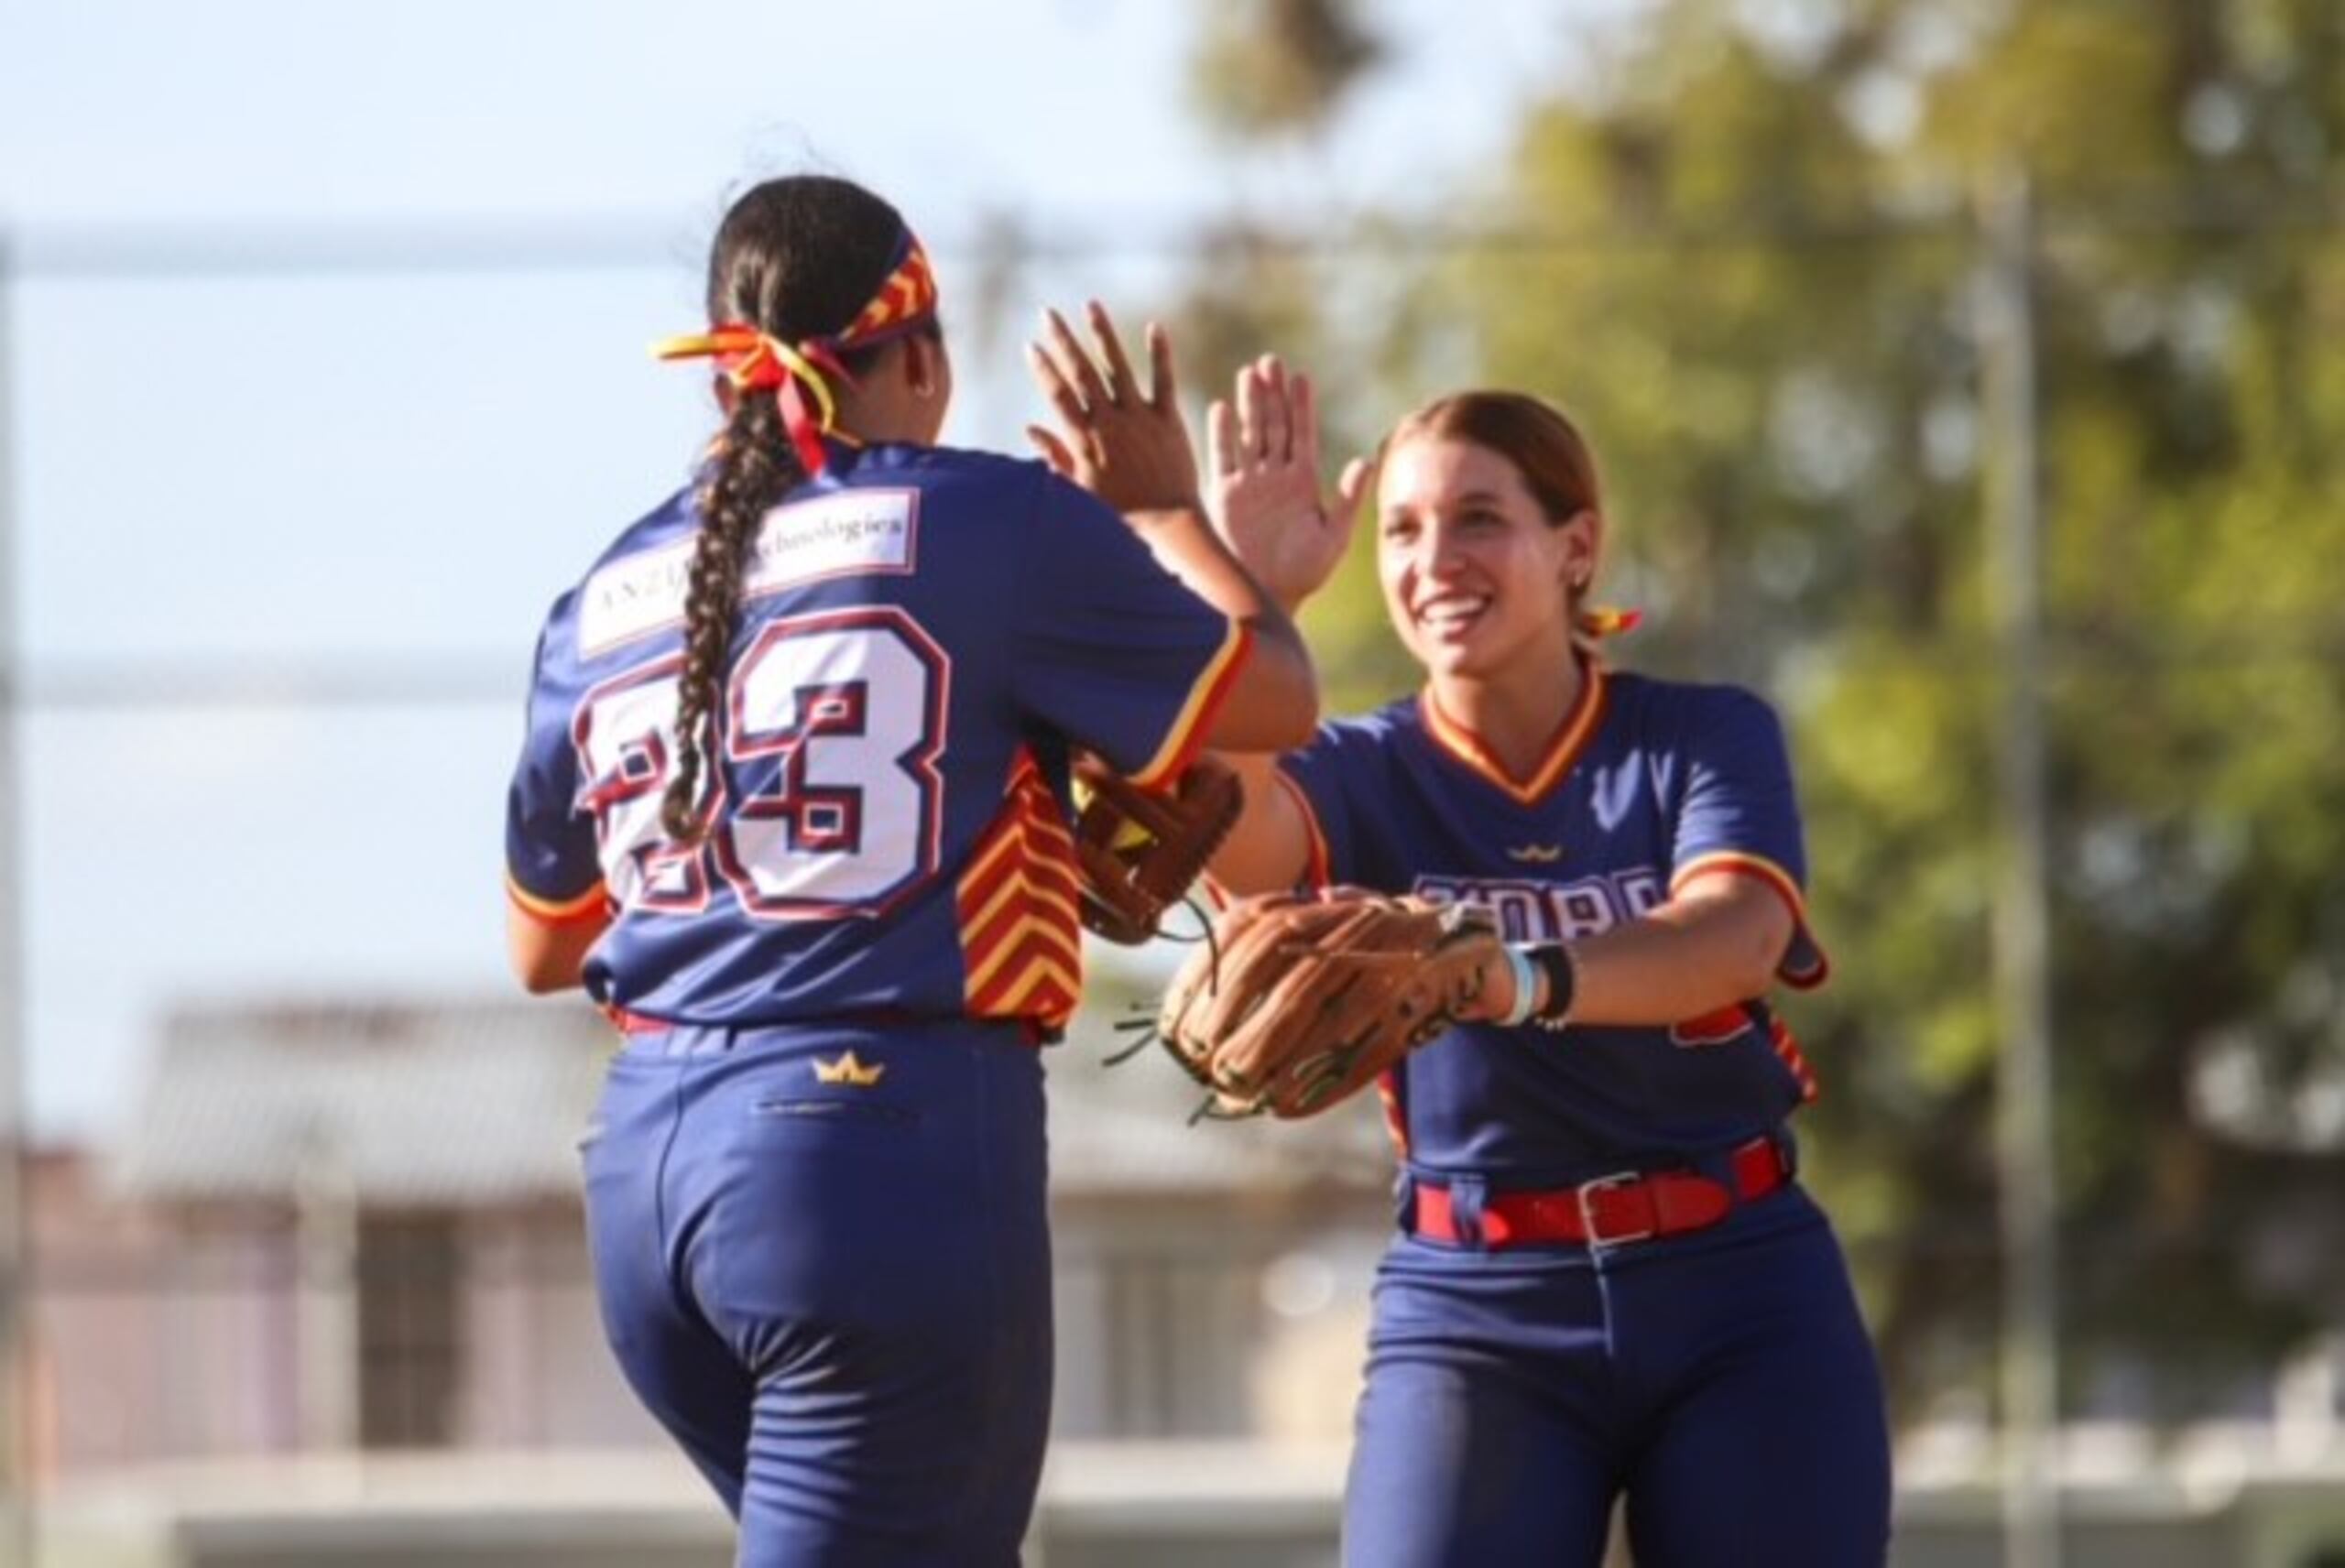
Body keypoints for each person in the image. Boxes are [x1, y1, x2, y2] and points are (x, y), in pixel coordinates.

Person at [501, 173, 1316, 1567]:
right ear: (922, 356)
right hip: (877, 1162)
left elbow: (543, 945)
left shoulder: (603, 594)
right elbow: (1280, 697)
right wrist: (1169, 510)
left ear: (725, 387)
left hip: (646, 1182)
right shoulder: (984, 521)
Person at [1189, 362, 1892, 1566]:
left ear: (1577, 547)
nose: (1434, 560)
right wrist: (1261, 603)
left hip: (1738, 1283)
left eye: (1479, 519)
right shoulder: (1361, 767)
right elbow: (1241, 852)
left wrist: (1506, 973)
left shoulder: (1696, 737)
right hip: (1477, 1306)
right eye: (1403, 530)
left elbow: (1733, 942)